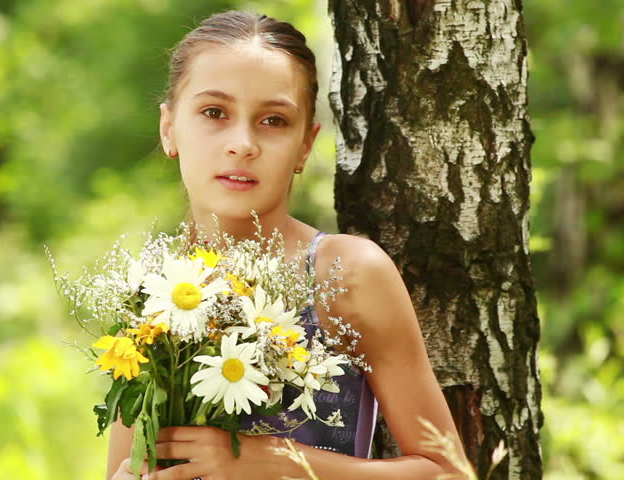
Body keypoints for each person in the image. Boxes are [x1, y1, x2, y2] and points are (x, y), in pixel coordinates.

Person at [107, 10, 464, 480]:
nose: (242, 143)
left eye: (273, 120)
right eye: (214, 113)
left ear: (304, 145)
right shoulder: (151, 290)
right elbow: (125, 466)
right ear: (169, 127)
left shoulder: (347, 273)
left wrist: (274, 462)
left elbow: (448, 472)